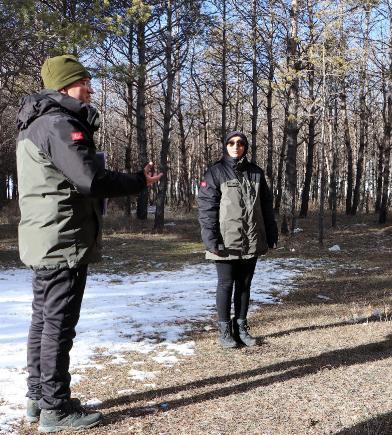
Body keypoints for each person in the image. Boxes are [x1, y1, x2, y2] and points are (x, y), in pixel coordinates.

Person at [17, 54, 162, 432]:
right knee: (58, 325)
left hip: (45, 236)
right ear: (66, 86)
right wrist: (137, 181)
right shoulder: (58, 124)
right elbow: (91, 180)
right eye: (85, 82)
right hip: (62, 238)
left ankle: (39, 396)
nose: (91, 89)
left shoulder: (36, 124)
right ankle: (55, 409)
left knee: (44, 320)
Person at [197, 131, 278, 349]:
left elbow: (266, 207)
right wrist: (211, 239)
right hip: (225, 241)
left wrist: (271, 234)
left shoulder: (256, 173)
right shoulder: (215, 172)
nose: (236, 146)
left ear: (245, 147)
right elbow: (207, 209)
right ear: (225, 146)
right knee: (225, 284)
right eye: (231, 143)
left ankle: (241, 327)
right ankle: (224, 331)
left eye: (240, 143)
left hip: (251, 239)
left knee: (244, 285)